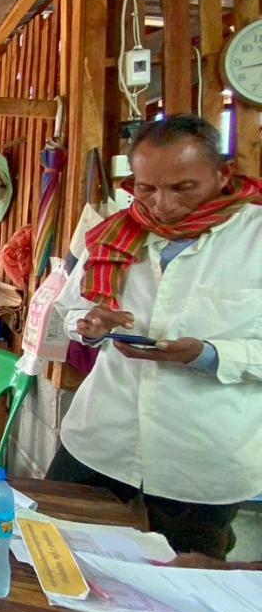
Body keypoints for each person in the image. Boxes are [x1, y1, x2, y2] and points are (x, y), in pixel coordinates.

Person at [49, 115, 262, 558]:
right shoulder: (113, 234)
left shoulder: (254, 239)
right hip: (100, 440)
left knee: (183, 590)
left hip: (202, 460)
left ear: (222, 174)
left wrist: (211, 355)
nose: (161, 205)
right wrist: (89, 327)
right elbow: (70, 311)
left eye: (183, 188)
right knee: (57, 555)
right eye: (146, 189)